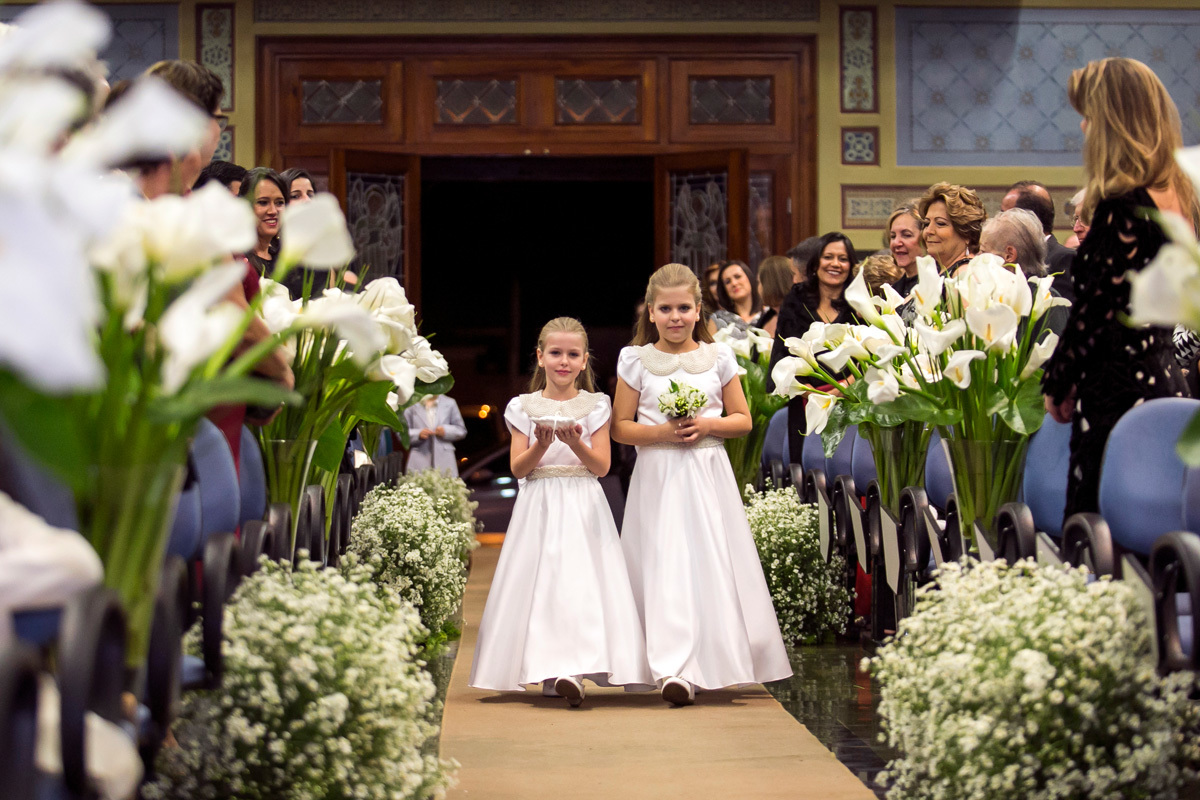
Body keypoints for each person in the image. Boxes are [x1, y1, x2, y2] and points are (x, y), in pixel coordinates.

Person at [613, 264, 791, 707]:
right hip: (658, 475)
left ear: (698, 310)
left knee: (709, 561)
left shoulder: (719, 357)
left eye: (683, 308)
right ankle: (671, 667)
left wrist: (707, 424)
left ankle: (712, 659)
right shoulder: (635, 360)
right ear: (651, 312)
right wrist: (661, 433)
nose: (675, 317)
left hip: (707, 473)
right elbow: (620, 427)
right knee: (664, 562)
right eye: (665, 309)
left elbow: (743, 420)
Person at [1042, 57, 1196, 520]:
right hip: (1164, 380)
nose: (1084, 127)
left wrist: (1058, 381)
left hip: (1118, 392)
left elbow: (1095, 312)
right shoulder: (1179, 194)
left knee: (1093, 535)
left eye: (1089, 115)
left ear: (1112, 120)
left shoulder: (1121, 205)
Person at [469, 318, 651, 707]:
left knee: (581, 583)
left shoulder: (596, 405)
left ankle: (577, 666)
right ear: (540, 357)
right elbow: (519, 468)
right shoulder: (523, 406)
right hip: (540, 503)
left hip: (583, 501)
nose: (563, 361)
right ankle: (551, 669)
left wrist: (576, 443)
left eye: (572, 354)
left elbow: (602, 466)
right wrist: (540, 444)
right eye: (555, 353)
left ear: (584, 360)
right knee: (545, 584)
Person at [767, 233, 859, 459]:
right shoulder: (796, 298)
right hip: (804, 401)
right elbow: (783, 351)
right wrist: (811, 393)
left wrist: (842, 390)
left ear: (850, 265)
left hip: (850, 401)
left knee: (843, 468)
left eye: (843, 259)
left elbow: (867, 357)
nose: (835, 264)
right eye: (828, 257)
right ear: (816, 263)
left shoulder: (857, 301)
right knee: (805, 469)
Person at [1001, 180, 1076, 302]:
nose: (999, 221)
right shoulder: (1010, 260)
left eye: (1004, 214)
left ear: (1027, 220)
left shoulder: (1065, 259)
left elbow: (1062, 310)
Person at [917, 182, 986, 276]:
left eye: (940, 223)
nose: (929, 231)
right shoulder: (943, 270)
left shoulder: (965, 274)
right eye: (927, 223)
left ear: (967, 233)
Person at [237, 167, 288, 283]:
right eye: (263, 202)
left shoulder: (285, 257)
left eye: (279, 203)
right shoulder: (236, 260)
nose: (273, 211)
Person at [403, 394, 467, 476]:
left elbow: (461, 430)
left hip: (444, 459)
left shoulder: (450, 402)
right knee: (417, 482)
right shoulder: (412, 402)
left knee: (445, 482)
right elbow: (402, 432)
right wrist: (418, 434)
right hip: (419, 457)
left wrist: (446, 431)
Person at [885, 203, 923, 297]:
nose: (896, 243)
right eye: (893, 236)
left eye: (906, 235)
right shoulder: (892, 293)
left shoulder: (939, 285)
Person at [755, 255, 794, 337]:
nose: (757, 288)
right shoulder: (767, 317)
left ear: (771, 284)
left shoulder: (798, 319)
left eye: (759, 282)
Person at [715, 259, 761, 324]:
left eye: (737, 277)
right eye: (728, 282)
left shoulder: (768, 314)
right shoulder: (718, 319)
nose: (734, 283)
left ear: (749, 277)